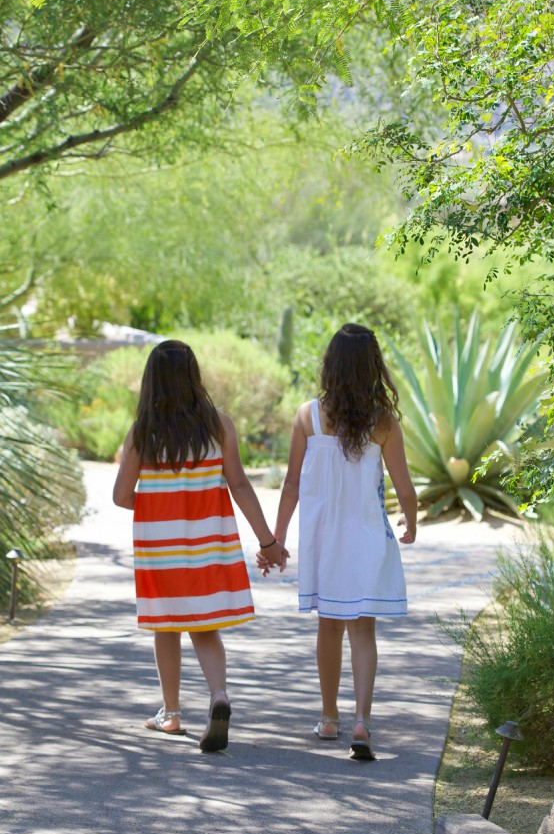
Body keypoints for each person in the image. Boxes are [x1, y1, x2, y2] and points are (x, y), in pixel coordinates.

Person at [113, 339, 286, 752]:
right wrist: (269, 541)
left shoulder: (142, 432)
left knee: (166, 626)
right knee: (204, 625)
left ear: (151, 382)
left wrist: (159, 504)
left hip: (160, 547)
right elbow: (240, 484)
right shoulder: (219, 425)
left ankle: (171, 713)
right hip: (209, 542)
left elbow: (121, 495)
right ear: (194, 378)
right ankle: (218, 696)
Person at [262, 323, 417, 760]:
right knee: (362, 629)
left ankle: (329, 717)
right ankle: (362, 721)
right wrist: (411, 522)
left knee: (328, 625)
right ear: (374, 368)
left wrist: (276, 538)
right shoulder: (384, 422)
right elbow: (405, 487)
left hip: (323, 540)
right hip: (366, 538)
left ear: (330, 365)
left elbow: (291, 485)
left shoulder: (308, 415)